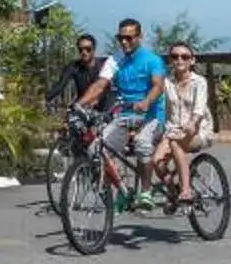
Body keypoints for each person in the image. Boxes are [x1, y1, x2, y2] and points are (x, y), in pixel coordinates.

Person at [85, 18, 167, 195]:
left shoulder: (152, 60)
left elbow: (158, 86)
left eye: (129, 38)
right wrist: (78, 105)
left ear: (140, 37)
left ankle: (145, 192)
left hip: (151, 116)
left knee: (143, 144)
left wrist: (146, 102)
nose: (124, 42)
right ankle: (121, 190)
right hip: (125, 116)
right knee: (96, 149)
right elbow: (100, 85)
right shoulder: (116, 60)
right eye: (120, 38)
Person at [150, 43, 214, 199]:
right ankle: (174, 190)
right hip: (172, 130)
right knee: (156, 160)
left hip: (198, 130)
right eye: (175, 57)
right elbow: (154, 100)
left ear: (192, 61)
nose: (179, 60)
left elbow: (199, 109)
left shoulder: (199, 82)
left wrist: (192, 124)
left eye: (184, 57)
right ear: (170, 61)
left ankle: (186, 191)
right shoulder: (166, 82)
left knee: (176, 143)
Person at [53, 31, 109, 114]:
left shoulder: (105, 64)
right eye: (81, 49)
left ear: (94, 49)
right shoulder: (73, 66)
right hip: (82, 108)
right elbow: (60, 85)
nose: (84, 52)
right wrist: (46, 98)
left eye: (88, 49)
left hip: (105, 108)